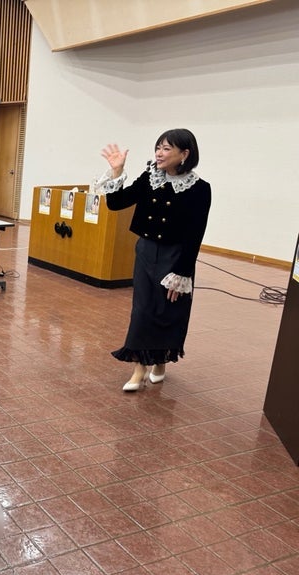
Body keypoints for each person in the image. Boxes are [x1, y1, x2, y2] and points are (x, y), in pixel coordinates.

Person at [100, 128, 211, 391]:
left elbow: (196, 234)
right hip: (146, 251)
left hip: (176, 256)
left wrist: (182, 272)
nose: (159, 153)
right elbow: (116, 203)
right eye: (158, 147)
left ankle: (160, 360)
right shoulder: (150, 178)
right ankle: (139, 368)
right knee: (142, 309)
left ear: (184, 154)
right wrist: (117, 171)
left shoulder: (200, 189)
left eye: (166, 148)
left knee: (168, 309)